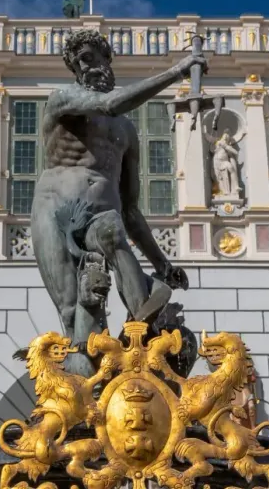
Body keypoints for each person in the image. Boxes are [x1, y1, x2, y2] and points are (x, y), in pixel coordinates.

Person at [30, 29, 204, 376]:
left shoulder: (126, 131)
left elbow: (130, 209)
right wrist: (177, 72)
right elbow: (111, 103)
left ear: (106, 59)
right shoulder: (63, 98)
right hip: (55, 211)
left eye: (90, 57)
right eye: (78, 62)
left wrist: (162, 263)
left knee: (112, 230)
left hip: (101, 213)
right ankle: (87, 382)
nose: (85, 66)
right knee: (75, 309)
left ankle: (143, 324)